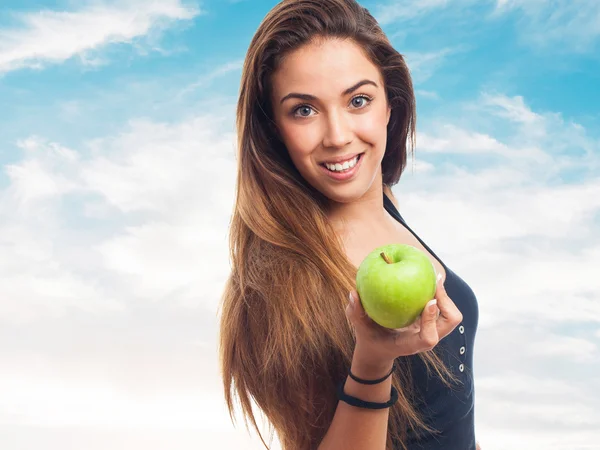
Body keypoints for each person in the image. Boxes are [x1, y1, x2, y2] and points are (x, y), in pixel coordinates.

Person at [218, 0, 480, 449]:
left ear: (390, 105)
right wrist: (373, 363)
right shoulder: (278, 287)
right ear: (273, 129)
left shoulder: (383, 207)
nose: (338, 135)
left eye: (358, 100)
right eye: (304, 110)